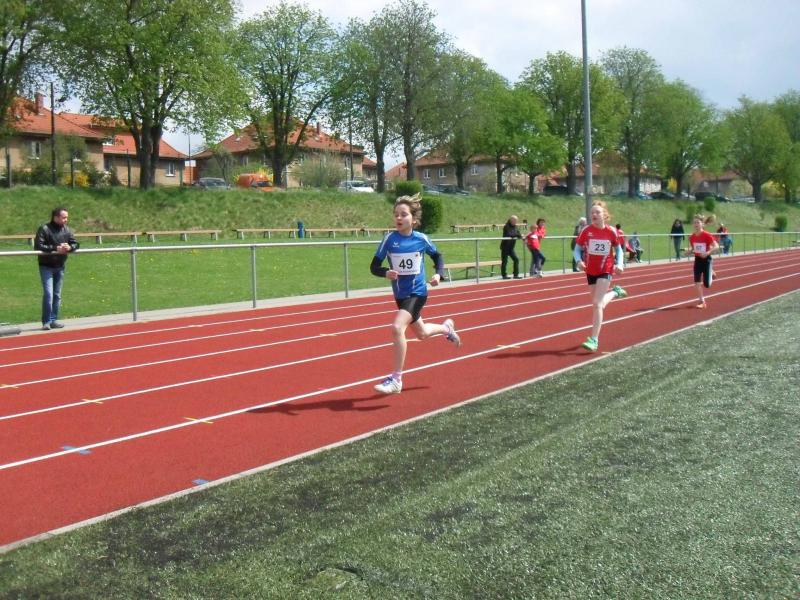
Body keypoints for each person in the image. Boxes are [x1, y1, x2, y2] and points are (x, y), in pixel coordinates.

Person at [370, 194, 462, 394]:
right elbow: (374, 267)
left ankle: (396, 379)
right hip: (400, 295)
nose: (399, 218)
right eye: (396, 214)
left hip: (418, 292)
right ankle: (446, 328)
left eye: (403, 214)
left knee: (397, 328)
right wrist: (385, 272)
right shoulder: (389, 240)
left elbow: (437, 256)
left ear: (413, 219)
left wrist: (438, 274)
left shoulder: (421, 239)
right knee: (422, 334)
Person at [573, 201, 627, 352]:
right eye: (592, 213)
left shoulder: (611, 231)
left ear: (604, 215)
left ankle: (594, 340)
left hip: (606, 269)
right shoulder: (586, 230)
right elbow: (577, 249)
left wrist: (620, 264)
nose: (594, 215)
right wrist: (578, 261)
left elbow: (619, 249)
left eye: (597, 212)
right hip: (590, 270)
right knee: (599, 304)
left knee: (597, 304)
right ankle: (615, 292)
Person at [34, 207, 79, 330]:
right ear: (56, 217)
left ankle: (53, 320)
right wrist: (55, 248)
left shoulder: (67, 230)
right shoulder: (44, 229)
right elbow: (38, 246)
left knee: (57, 295)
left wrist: (70, 247)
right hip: (46, 266)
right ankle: (46, 321)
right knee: (49, 294)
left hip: (60, 266)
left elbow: (76, 243)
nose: (66, 220)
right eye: (64, 217)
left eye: (67, 217)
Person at [686, 214, 719, 308]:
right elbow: (694, 248)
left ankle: (711, 271)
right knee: (697, 281)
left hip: (706, 260)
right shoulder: (692, 237)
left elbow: (716, 246)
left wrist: (707, 252)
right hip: (697, 260)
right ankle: (701, 301)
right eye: (694, 222)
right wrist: (689, 251)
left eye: (698, 222)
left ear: (702, 224)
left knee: (707, 284)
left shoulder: (707, 235)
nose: (696, 224)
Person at [499, 215, 523, 279]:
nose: (516, 222)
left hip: (511, 247)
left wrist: (519, 235)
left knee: (516, 259)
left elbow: (519, 235)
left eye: (516, 221)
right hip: (505, 247)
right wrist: (516, 235)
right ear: (511, 220)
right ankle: (504, 275)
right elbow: (509, 234)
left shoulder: (516, 227)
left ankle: (516, 275)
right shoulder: (506, 226)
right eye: (515, 220)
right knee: (505, 261)